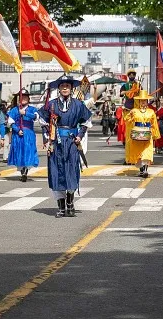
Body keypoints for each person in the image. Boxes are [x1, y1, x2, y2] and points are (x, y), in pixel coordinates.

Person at [38, 74, 93, 218]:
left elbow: (86, 121)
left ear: (71, 88)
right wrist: (47, 137)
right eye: (62, 86)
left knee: (71, 171)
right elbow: (43, 121)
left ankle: (70, 202)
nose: (65, 88)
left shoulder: (78, 104)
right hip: (56, 143)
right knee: (57, 172)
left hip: (71, 142)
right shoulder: (51, 104)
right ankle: (61, 206)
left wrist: (80, 136)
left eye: (67, 86)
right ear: (58, 88)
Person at [124, 90, 161, 177]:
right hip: (137, 133)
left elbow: (154, 124)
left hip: (147, 134)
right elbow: (127, 120)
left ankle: (145, 170)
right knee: (138, 153)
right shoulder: (134, 111)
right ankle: (141, 170)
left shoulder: (151, 112)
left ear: (147, 102)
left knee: (147, 152)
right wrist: (129, 114)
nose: (143, 102)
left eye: (145, 100)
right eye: (141, 100)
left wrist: (155, 135)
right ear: (139, 101)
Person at [7, 89, 40, 182]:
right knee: (19, 151)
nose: (23, 99)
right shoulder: (14, 110)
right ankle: (22, 170)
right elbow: (10, 122)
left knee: (28, 151)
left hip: (29, 134)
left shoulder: (33, 109)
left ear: (28, 99)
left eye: (25, 97)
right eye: (21, 97)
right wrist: (17, 130)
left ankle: (25, 169)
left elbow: (36, 117)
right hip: (18, 135)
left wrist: (25, 113)